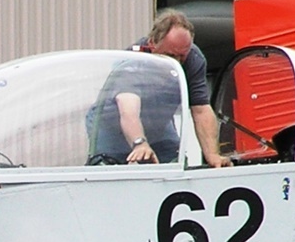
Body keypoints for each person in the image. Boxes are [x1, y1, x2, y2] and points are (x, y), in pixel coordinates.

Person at [89, 9, 231, 166]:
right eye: (170, 56)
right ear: (152, 43)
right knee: (110, 171)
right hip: (113, 126)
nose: (176, 62)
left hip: (159, 124)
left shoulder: (193, 59)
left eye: (182, 56)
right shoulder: (132, 62)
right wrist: (140, 143)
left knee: (175, 165)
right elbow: (128, 109)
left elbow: (201, 109)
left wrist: (212, 155)